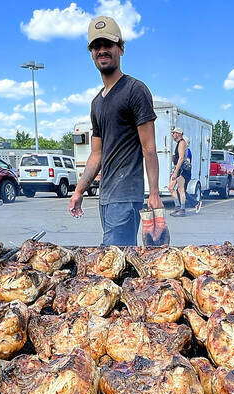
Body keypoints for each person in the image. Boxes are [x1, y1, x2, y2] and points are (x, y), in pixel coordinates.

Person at [67, 15, 163, 245]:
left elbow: (148, 148)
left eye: (108, 45)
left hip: (126, 195)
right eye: (96, 46)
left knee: (111, 257)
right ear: (91, 53)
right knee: (117, 261)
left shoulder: (135, 90)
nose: (102, 51)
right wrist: (79, 191)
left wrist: (155, 193)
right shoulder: (96, 103)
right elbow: (96, 154)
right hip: (107, 196)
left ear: (120, 49)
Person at [168, 127, 191, 216]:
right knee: (171, 187)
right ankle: (178, 208)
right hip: (179, 169)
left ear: (178, 134)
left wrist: (175, 171)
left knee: (180, 189)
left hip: (182, 169)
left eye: (173, 133)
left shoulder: (181, 143)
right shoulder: (179, 143)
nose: (172, 135)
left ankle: (182, 209)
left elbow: (181, 158)